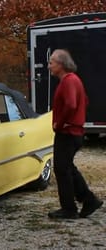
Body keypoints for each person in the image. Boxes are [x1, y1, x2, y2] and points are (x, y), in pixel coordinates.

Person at [47, 49, 103, 219]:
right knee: (68, 168)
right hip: (74, 131)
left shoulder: (69, 81)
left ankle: (69, 209)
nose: (49, 66)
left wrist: (61, 122)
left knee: (62, 169)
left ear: (61, 64)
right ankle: (88, 200)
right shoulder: (73, 80)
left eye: (51, 62)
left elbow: (71, 104)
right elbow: (84, 100)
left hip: (68, 132)